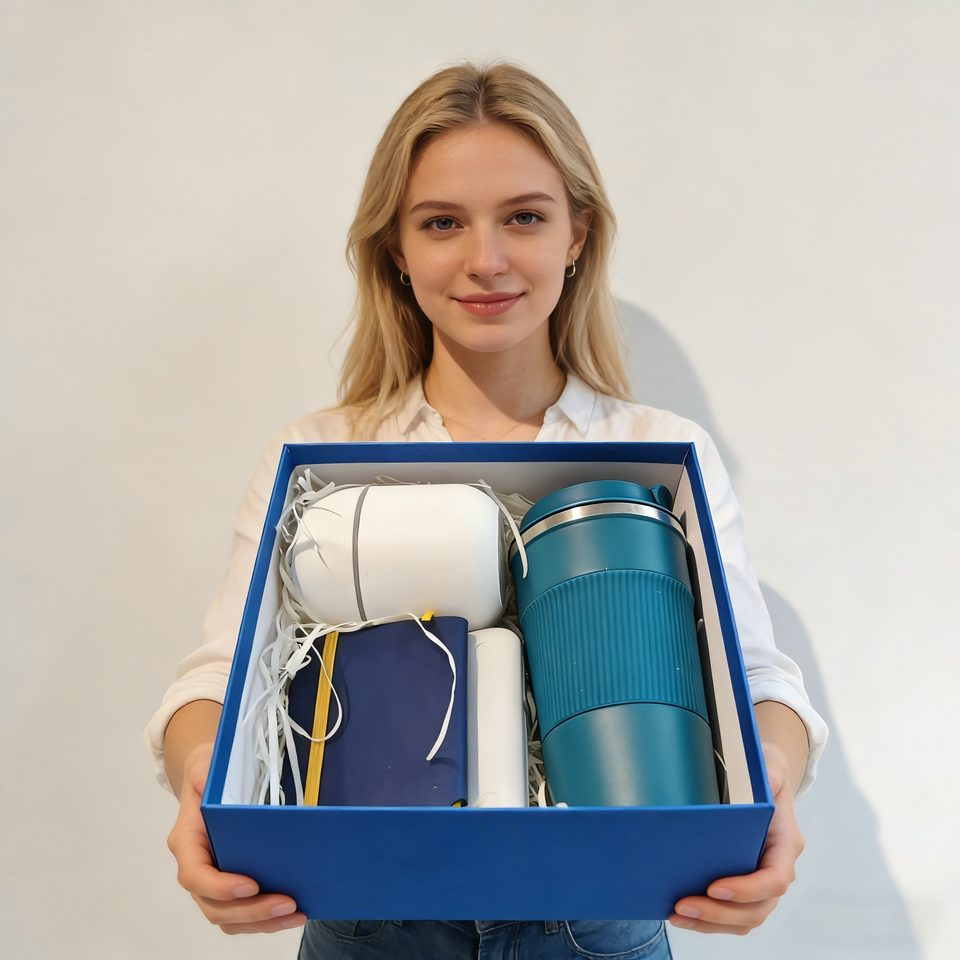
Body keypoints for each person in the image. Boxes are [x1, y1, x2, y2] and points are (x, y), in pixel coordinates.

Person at [147, 62, 827, 957]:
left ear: (578, 233)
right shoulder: (320, 454)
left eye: (525, 217)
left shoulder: (658, 448)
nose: (486, 260)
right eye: (442, 223)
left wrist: (769, 787)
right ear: (396, 248)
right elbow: (217, 681)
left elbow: (757, 682)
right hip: (372, 920)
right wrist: (205, 782)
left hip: (597, 921)